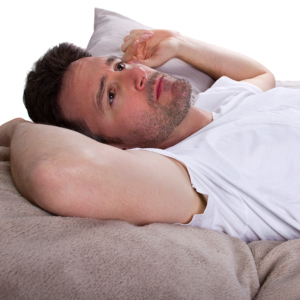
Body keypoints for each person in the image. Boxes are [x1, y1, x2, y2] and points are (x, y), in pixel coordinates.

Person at [0, 30, 299, 243]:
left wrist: (179, 44)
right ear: (115, 146)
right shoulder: (191, 175)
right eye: (112, 95)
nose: (137, 74)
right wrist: (18, 128)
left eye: (120, 65)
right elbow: (55, 175)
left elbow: (260, 76)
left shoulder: (216, 101)